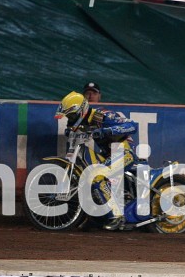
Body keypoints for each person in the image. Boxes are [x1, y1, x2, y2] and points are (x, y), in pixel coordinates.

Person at [55, 91, 138, 230]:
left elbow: (132, 126)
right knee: (86, 179)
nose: (70, 120)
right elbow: (72, 130)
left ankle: (117, 216)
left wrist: (109, 131)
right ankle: (95, 218)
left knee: (96, 176)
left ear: (81, 110)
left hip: (124, 154)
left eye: (71, 116)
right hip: (108, 156)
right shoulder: (84, 122)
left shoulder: (102, 115)